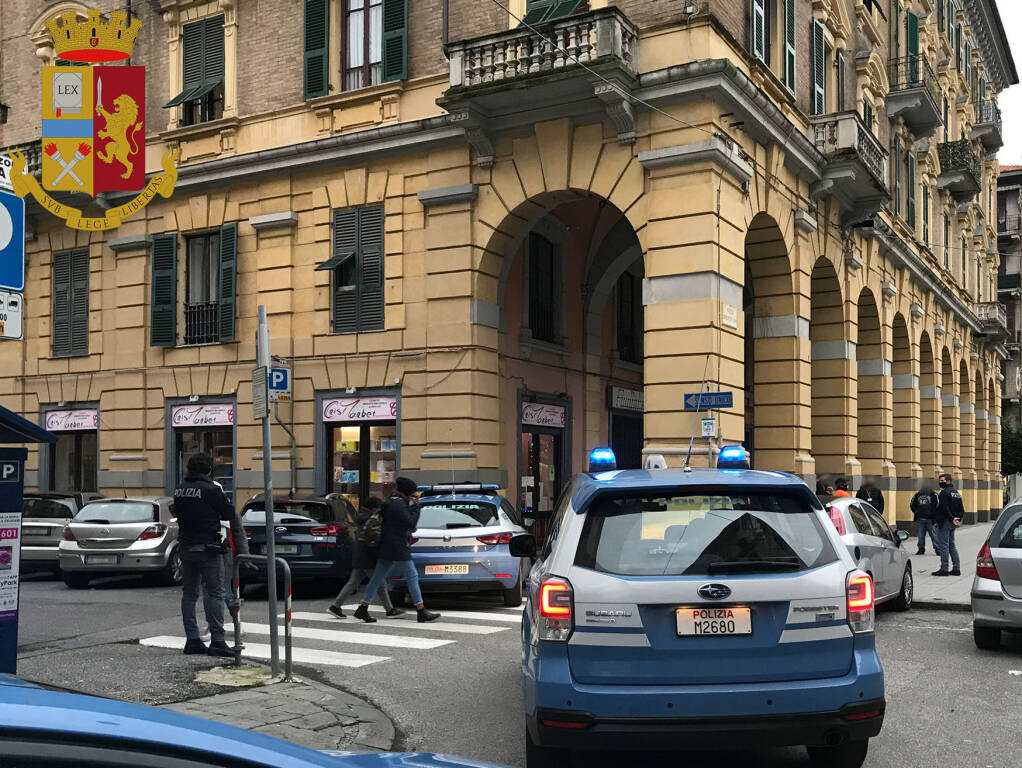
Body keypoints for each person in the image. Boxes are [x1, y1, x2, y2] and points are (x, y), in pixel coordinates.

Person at [174, 453, 239, 657]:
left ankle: (192, 638)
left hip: (186, 546)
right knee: (215, 593)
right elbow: (229, 513)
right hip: (208, 547)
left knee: (189, 593)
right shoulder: (211, 489)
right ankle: (218, 641)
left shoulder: (180, 489)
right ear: (210, 469)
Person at [351, 477, 440, 624]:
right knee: (412, 575)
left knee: (377, 577)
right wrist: (417, 507)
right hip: (397, 545)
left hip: (387, 545)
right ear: (408, 492)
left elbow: (400, 520)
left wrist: (411, 507)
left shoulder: (392, 502)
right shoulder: (398, 504)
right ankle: (421, 610)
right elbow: (410, 524)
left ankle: (363, 607)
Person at [327, 497, 402, 619]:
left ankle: (336, 606)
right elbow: (373, 538)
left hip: (361, 555)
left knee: (353, 583)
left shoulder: (362, 517)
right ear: (374, 509)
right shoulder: (369, 519)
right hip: (368, 557)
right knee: (380, 583)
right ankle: (389, 609)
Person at [932, 472, 965, 577]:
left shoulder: (944, 493)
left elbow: (944, 508)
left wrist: (951, 518)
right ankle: (956, 568)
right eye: (939, 481)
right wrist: (958, 519)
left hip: (945, 521)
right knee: (952, 545)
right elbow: (961, 509)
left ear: (949, 481)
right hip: (952, 522)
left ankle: (944, 568)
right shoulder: (956, 493)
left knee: (944, 546)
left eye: (942, 481)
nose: (940, 483)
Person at [909, 480, 939, 556]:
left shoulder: (933, 494)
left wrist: (933, 514)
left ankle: (938, 549)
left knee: (934, 535)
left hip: (930, 519)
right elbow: (912, 504)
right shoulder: (918, 494)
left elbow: (938, 505)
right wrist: (916, 512)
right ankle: (921, 549)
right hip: (920, 518)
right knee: (920, 535)